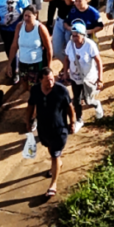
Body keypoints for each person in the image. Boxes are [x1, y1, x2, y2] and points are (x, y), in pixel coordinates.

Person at [33, 66, 75, 200]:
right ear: (40, 80)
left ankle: (53, 185)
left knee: (55, 155)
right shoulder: (35, 90)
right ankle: (57, 165)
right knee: (50, 150)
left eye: (52, 79)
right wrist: (28, 121)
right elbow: (30, 106)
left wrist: (72, 122)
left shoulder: (61, 91)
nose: (50, 82)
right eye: (47, 80)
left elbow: (70, 108)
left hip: (60, 129)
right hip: (44, 128)